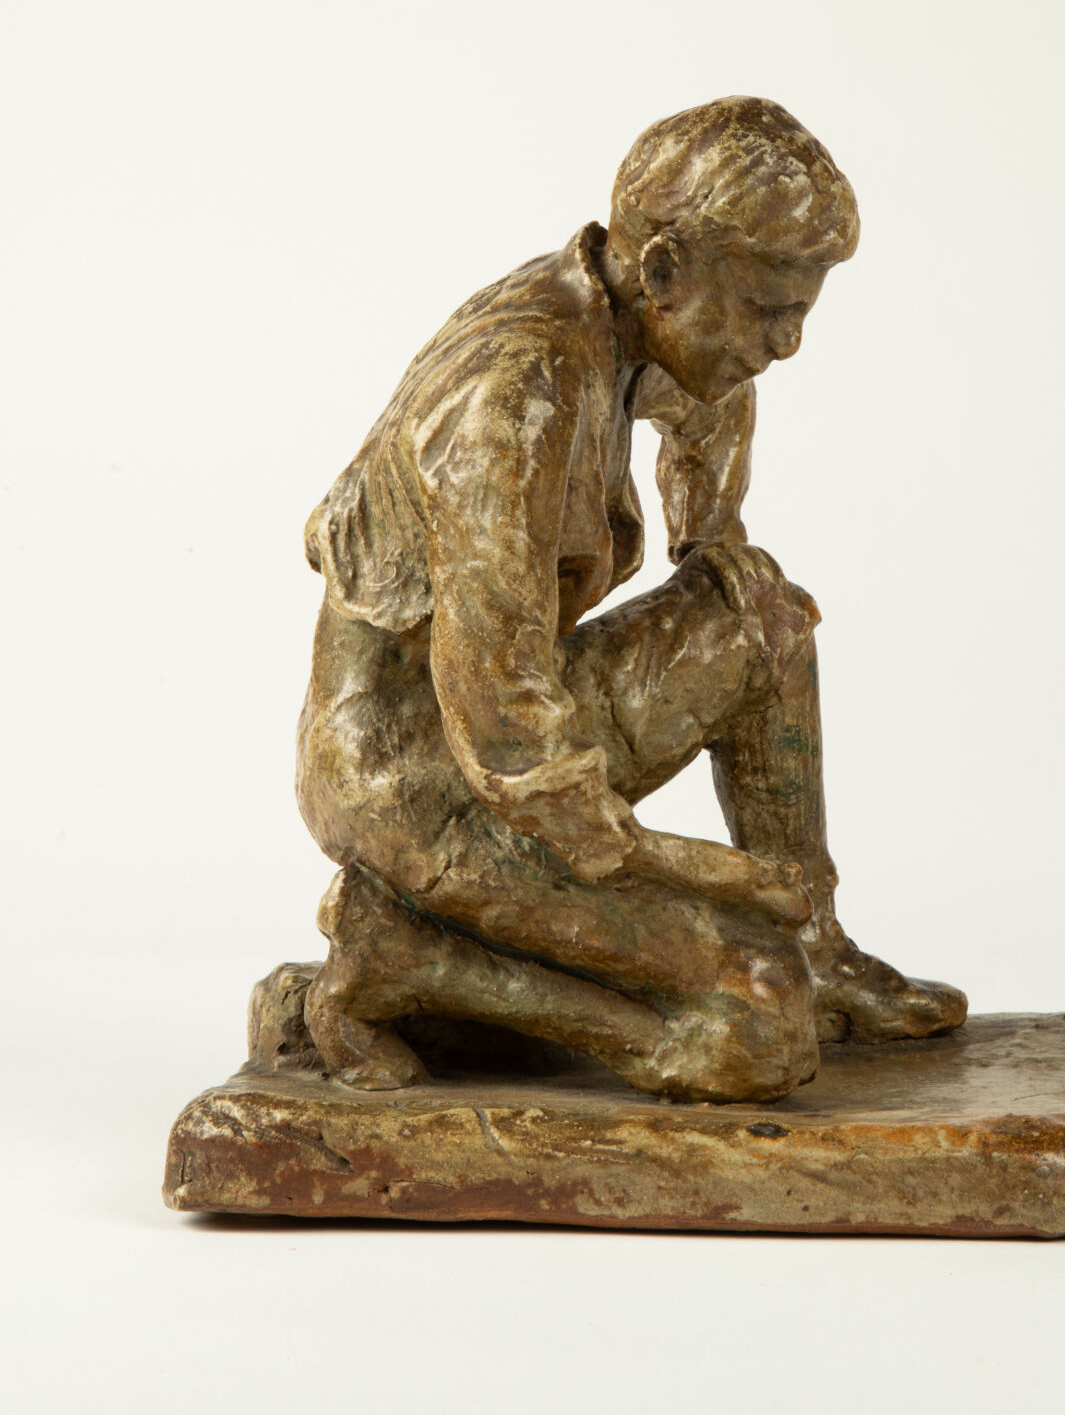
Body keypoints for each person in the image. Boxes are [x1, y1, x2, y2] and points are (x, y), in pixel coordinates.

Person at [296, 97, 965, 1104]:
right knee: (758, 1024)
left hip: (503, 722)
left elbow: (710, 404)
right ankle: (403, 957)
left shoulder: (632, 317)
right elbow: (503, 718)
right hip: (416, 779)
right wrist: (670, 864)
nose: (787, 344)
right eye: (767, 311)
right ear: (663, 270)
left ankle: (820, 947)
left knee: (762, 615)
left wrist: (710, 540)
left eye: (800, 313)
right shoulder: (512, 398)